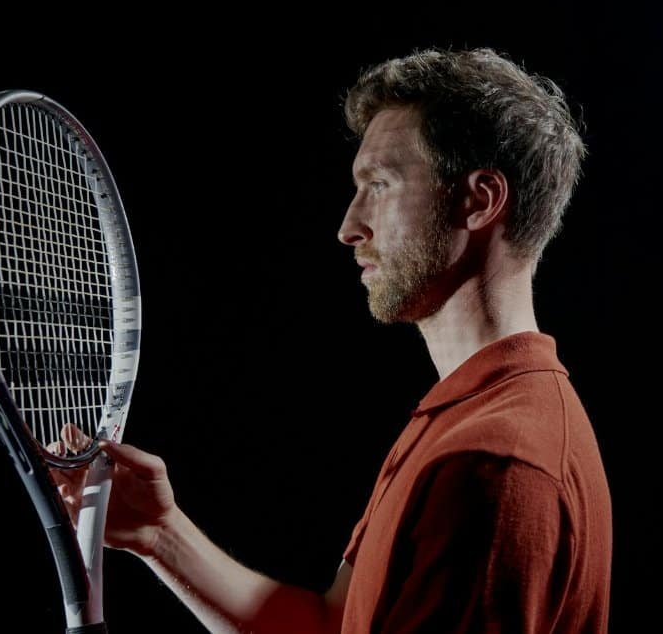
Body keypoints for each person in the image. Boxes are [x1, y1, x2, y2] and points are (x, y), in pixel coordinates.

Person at [51, 47, 612, 633]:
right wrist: (159, 534)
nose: (349, 227)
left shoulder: (495, 462)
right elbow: (329, 625)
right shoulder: (461, 418)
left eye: (380, 184)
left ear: (479, 199)